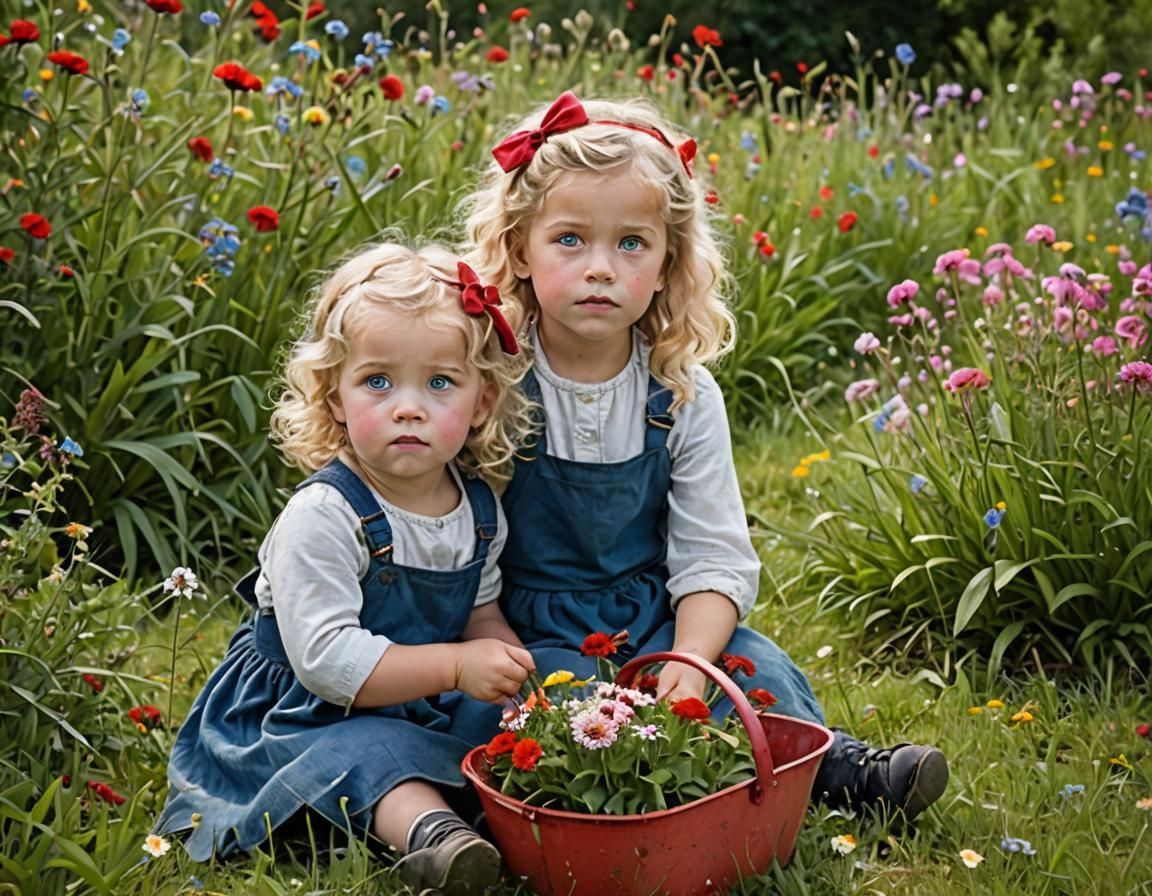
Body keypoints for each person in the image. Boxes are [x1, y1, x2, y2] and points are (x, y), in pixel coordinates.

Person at [461, 92, 949, 824]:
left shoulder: (680, 392)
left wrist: (689, 662)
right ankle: (588, 803)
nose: (601, 267)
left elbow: (712, 554)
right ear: (520, 249)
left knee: (754, 672)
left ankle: (838, 767)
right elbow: (456, 539)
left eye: (632, 243)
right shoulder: (487, 382)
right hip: (523, 627)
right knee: (539, 714)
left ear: (667, 265)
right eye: (569, 239)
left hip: (657, 615)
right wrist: (491, 642)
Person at [155, 242, 537, 895]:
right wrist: (452, 667)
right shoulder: (326, 516)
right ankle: (438, 841)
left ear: (481, 402)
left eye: (439, 382)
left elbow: (478, 610)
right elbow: (330, 664)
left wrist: (505, 664)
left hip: (413, 699)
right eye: (377, 382)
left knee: (488, 724)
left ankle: (512, 808)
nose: (407, 407)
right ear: (334, 395)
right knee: (372, 754)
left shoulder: (478, 511)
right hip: (303, 715)